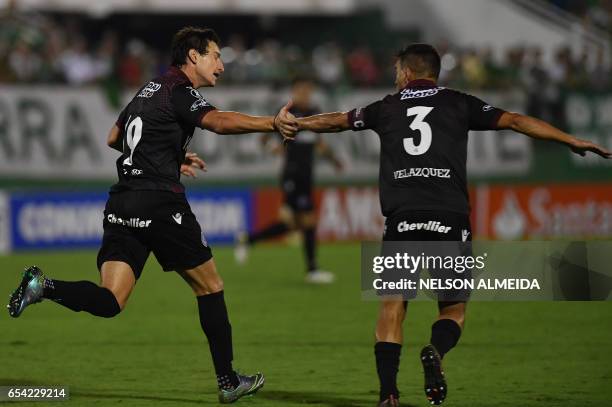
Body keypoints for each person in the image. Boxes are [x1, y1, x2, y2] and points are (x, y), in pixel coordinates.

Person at [293, 43, 610, 406]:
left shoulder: (386, 107)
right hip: (450, 217)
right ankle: (436, 352)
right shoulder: (460, 102)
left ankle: (388, 395)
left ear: (408, 72)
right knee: (453, 308)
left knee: (392, 306)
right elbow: (517, 121)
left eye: (398, 70)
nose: (395, 76)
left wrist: (297, 123)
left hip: (402, 217)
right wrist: (569, 139)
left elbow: (337, 120)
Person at [7, 26, 298, 404]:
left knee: (111, 300)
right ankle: (228, 381)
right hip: (159, 203)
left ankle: (43, 286)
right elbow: (219, 122)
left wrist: (172, 155)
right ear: (193, 56)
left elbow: (114, 138)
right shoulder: (180, 91)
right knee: (210, 287)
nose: (222, 66)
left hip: (121, 202)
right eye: (216, 55)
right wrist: (271, 123)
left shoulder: (148, 90)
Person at [234, 76, 343, 284]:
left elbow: (318, 144)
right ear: (294, 91)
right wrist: (271, 148)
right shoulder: (285, 113)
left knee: (292, 224)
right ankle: (312, 270)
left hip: (307, 174)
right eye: (302, 90)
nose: (305, 94)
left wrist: (334, 160)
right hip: (292, 174)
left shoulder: (314, 113)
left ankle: (249, 239)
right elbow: (263, 137)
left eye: (308, 90)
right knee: (308, 220)